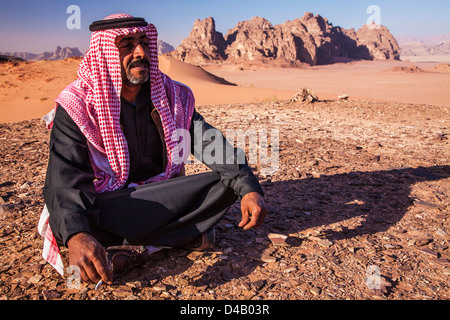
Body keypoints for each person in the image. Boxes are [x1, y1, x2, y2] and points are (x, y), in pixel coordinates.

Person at [37, 14, 268, 285]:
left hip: (161, 193)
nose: (140, 52)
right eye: (127, 45)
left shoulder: (171, 95)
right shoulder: (78, 105)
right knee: (69, 218)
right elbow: (65, 180)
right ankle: (179, 235)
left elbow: (208, 142)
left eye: (144, 43)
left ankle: (134, 247)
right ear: (106, 53)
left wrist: (248, 187)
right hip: (110, 204)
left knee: (229, 182)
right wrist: (77, 235)